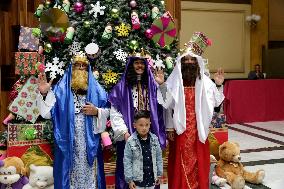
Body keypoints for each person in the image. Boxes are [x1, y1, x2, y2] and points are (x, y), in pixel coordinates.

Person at [37, 52, 109, 189]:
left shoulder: (98, 90)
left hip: (89, 143)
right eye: (77, 65)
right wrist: (44, 94)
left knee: (91, 175)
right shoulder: (60, 90)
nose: (81, 68)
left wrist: (97, 111)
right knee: (68, 174)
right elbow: (47, 114)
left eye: (84, 66)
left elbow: (109, 111)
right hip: (68, 142)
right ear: (71, 67)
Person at [162, 32, 225, 189]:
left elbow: (216, 103)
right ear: (181, 63)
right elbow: (166, 104)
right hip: (180, 130)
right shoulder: (174, 80)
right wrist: (169, 127)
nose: (189, 62)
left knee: (198, 160)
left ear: (197, 62)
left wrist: (218, 84)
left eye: (192, 59)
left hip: (198, 130)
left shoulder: (205, 81)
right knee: (180, 160)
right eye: (186, 60)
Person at [108, 51, 166, 189]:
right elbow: (115, 112)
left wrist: (162, 85)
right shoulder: (121, 88)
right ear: (131, 65)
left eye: (142, 63)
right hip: (129, 135)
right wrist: (124, 133)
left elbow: (165, 104)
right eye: (136, 63)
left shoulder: (153, 86)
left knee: (149, 167)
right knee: (127, 166)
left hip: (148, 134)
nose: (139, 66)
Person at [123, 110, 163, 189]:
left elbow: (158, 157)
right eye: (141, 125)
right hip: (138, 181)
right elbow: (127, 161)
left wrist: (159, 174)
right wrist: (130, 180)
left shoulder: (154, 139)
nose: (144, 128)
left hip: (151, 180)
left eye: (146, 125)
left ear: (150, 124)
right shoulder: (130, 141)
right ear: (135, 125)